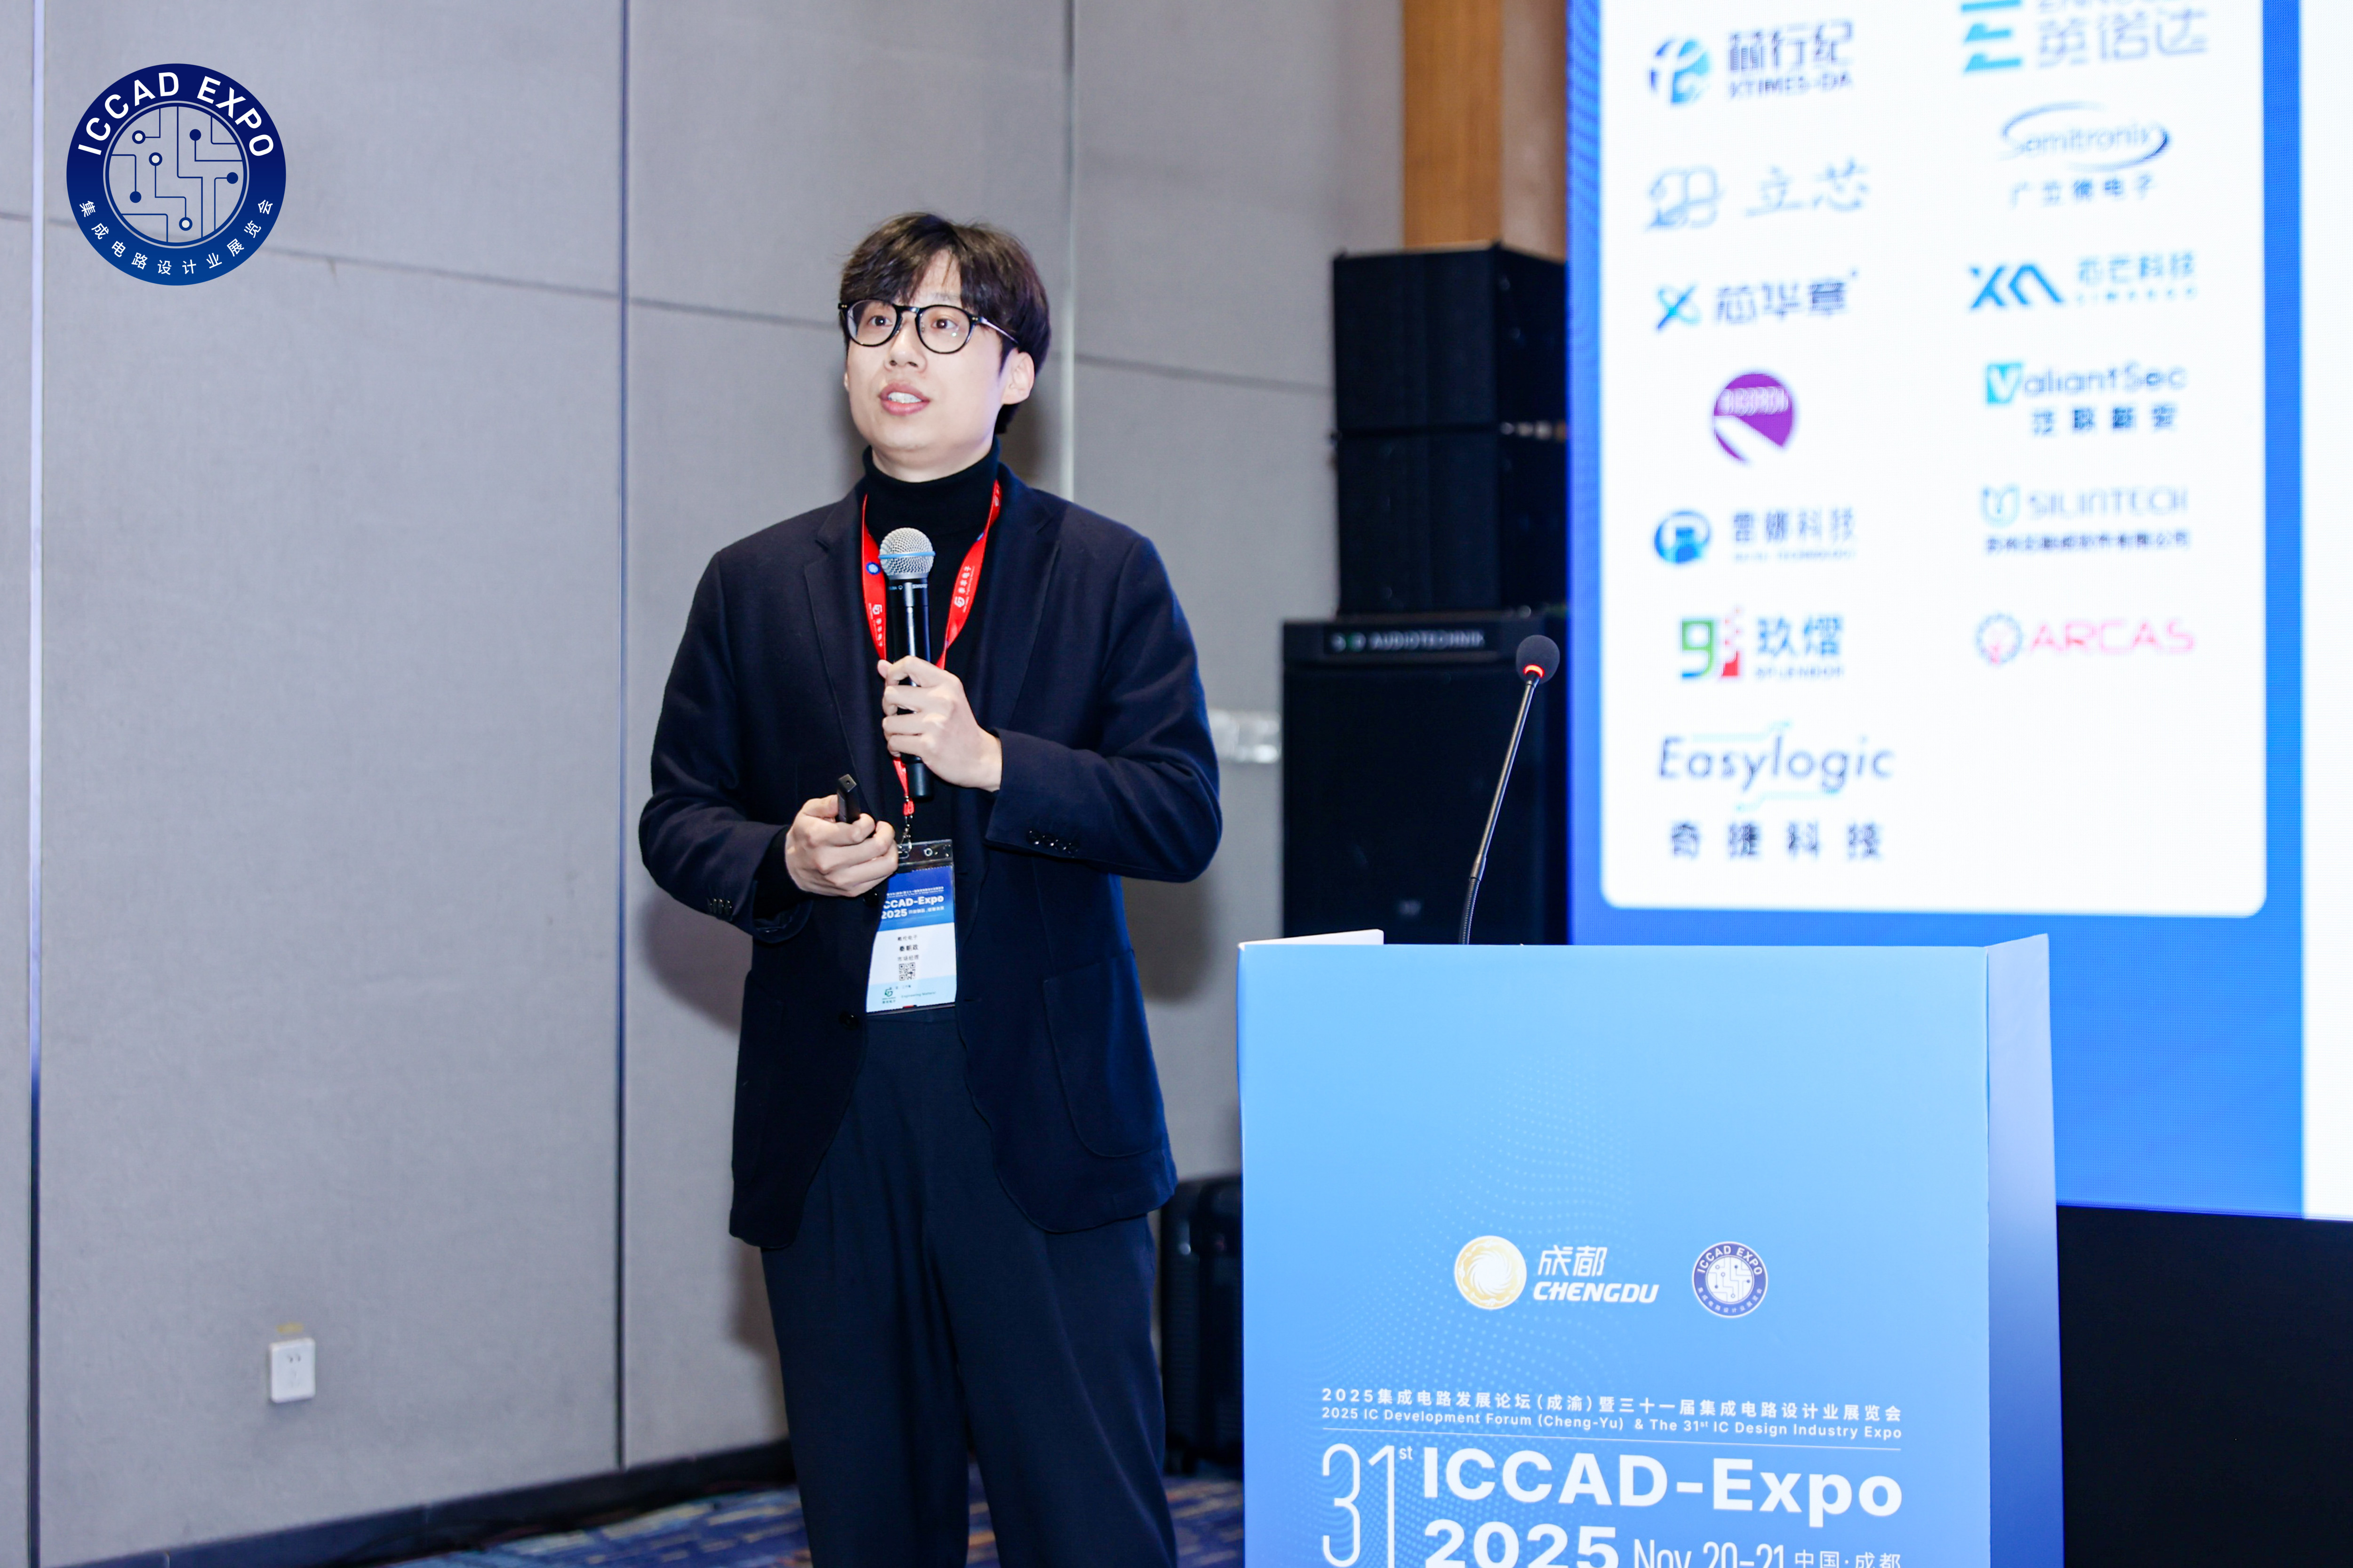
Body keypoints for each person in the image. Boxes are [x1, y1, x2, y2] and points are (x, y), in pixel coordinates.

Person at [640, 212, 1219, 1567]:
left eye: (946, 325)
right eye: (878, 323)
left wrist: (993, 762)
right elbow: (679, 818)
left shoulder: (1104, 572)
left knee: (1087, 1524)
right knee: (869, 1525)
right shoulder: (754, 582)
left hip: (1038, 1111)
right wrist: (781, 859)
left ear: (1017, 372)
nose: (903, 352)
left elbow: (1180, 812)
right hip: (835, 1115)